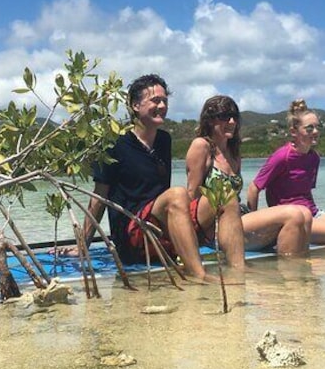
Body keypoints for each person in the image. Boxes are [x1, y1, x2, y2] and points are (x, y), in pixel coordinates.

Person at [71, 75, 244, 281]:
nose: (162, 106)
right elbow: (98, 198)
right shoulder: (113, 143)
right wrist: (83, 245)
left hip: (162, 226)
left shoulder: (164, 140)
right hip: (133, 233)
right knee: (177, 194)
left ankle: (239, 272)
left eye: (165, 101)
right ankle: (198, 275)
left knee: (225, 193)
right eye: (155, 101)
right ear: (135, 105)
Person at [186, 95, 310, 257]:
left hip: (239, 216)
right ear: (209, 120)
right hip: (215, 226)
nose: (231, 122)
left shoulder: (233, 152)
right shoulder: (201, 146)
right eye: (224, 117)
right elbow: (191, 196)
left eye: (234, 117)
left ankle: (299, 274)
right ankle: (290, 276)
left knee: (305, 214)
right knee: (293, 215)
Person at [246, 99, 325, 251]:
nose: (316, 132)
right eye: (309, 128)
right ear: (294, 132)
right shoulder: (282, 157)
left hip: (313, 213)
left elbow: (306, 193)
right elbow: (254, 188)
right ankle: (316, 271)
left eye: (317, 127)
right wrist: (256, 224)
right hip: (293, 219)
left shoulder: (314, 157)